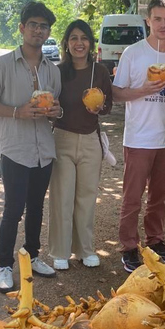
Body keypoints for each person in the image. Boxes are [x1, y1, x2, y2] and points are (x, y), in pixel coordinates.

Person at [0, 1, 63, 292]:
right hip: (15, 149)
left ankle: (34, 256)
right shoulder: (3, 65)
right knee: (13, 209)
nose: (38, 31)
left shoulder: (52, 69)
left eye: (44, 26)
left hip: (44, 151)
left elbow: (58, 106)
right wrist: (18, 111)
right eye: (34, 25)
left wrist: (56, 112)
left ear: (48, 32)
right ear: (22, 28)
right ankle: (4, 265)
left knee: (37, 208)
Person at [112, 0, 165, 272]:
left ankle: (156, 242)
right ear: (148, 21)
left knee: (159, 197)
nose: (162, 24)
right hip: (139, 138)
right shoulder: (133, 53)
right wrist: (143, 89)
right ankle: (129, 247)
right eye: (157, 19)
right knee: (132, 197)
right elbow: (116, 93)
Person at [48, 19, 113, 270]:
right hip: (62, 138)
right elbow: (51, 107)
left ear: (90, 42)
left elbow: (107, 107)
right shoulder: (58, 71)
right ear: (67, 43)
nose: (79, 43)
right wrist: (53, 111)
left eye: (83, 38)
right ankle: (60, 251)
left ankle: (85, 249)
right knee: (62, 197)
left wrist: (99, 107)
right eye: (74, 38)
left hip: (90, 140)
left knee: (86, 198)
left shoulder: (100, 72)